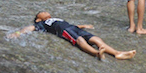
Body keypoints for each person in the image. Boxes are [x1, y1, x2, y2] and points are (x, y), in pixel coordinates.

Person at [8, 11, 136, 60]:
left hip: (72, 27)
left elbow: (68, 24)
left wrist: (83, 26)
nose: (47, 13)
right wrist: (18, 33)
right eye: (43, 13)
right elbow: (29, 28)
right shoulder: (42, 24)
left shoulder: (55, 18)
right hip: (64, 32)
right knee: (79, 40)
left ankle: (116, 53)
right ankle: (96, 53)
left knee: (96, 39)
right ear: (38, 19)